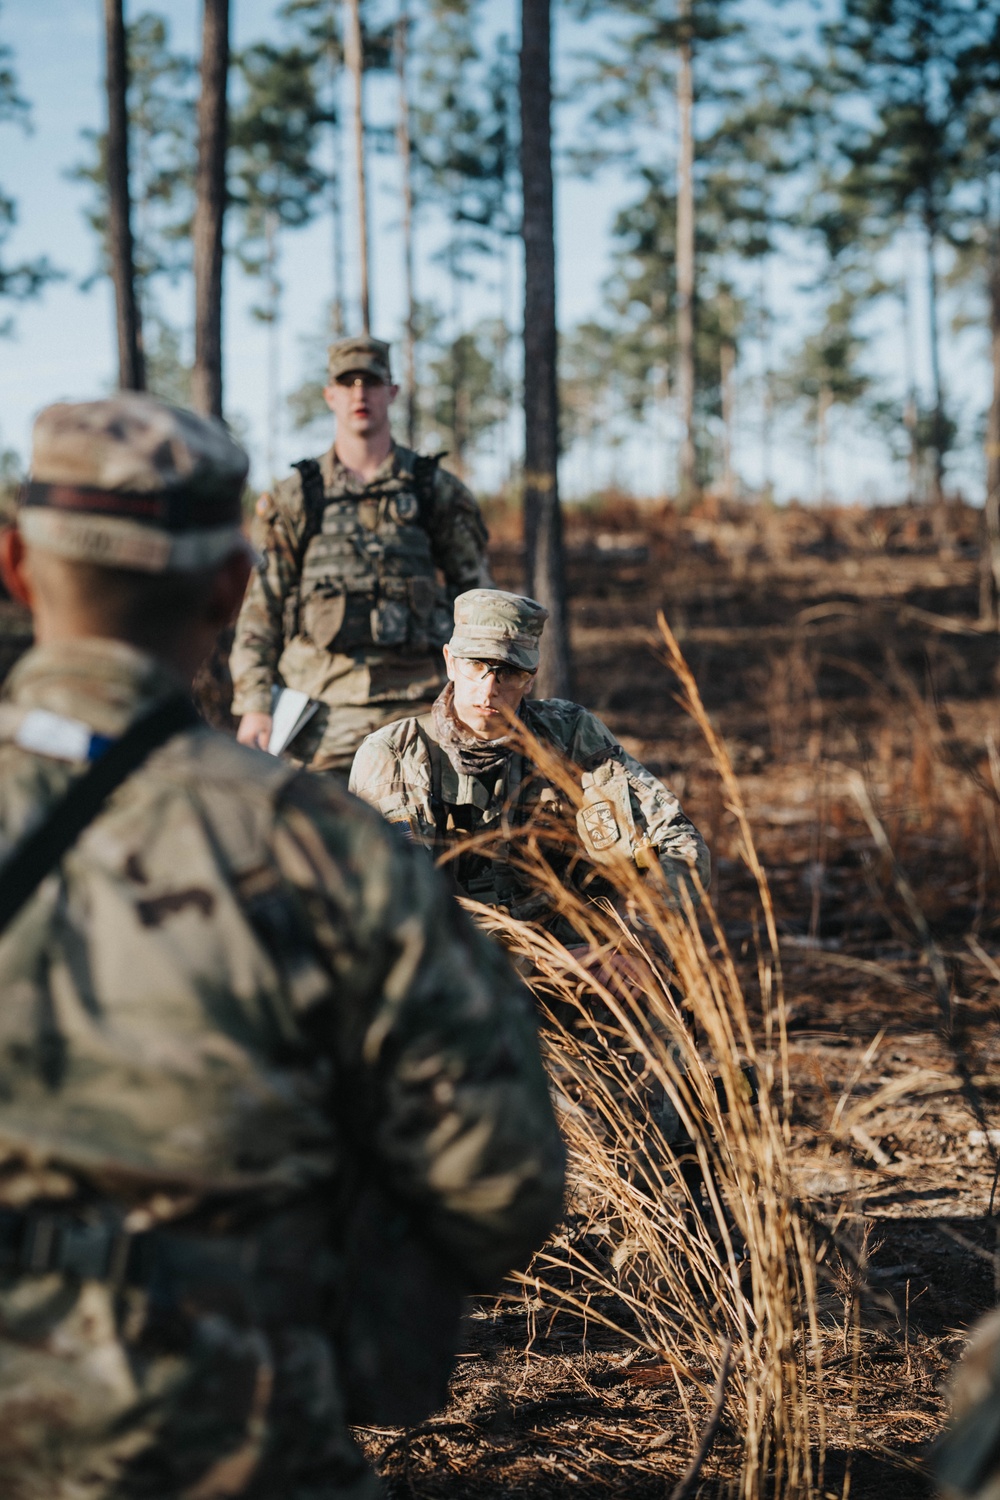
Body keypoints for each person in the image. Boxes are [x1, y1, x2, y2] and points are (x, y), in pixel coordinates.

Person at [0, 395, 564, 1498]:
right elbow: (502, 1184)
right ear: (228, 591)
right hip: (232, 1435)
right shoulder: (327, 852)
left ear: (16, 565)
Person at [349, 588, 710, 937]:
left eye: (508, 672)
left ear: (531, 677)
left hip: (576, 956)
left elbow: (678, 843)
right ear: (450, 662)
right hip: (456, 970)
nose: (489, 689)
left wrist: (632, 940)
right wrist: (536, 962)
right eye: (476, 665)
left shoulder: (569, 735)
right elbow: (397, 907)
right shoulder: (394, 754)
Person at [230, 335, 492, 775]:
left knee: (436, 839)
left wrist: (489, 692)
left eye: (370, 382)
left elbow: (480, 604)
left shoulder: (434, 491)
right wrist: (255, 705)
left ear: (391, 392)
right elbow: (261, 611)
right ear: (329, 395)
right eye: (346, 382)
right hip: (320, 711)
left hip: (420, 705)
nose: (359, 394)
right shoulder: (296, 498)